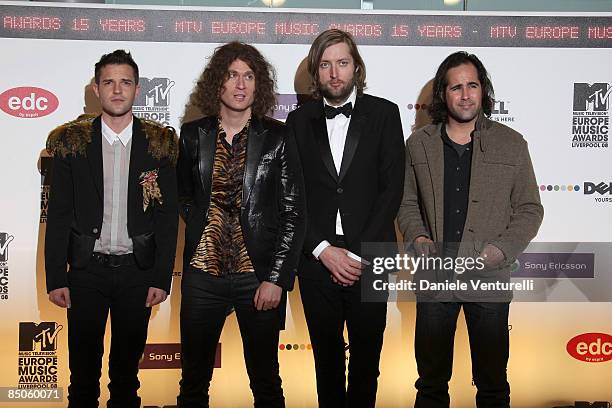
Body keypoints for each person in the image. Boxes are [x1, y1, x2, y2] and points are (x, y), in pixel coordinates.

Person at [398, 51, 544, 407]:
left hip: (488, 278)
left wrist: (502, 250)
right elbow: (406, 204)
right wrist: (417, 237)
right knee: (430, 384)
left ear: (483, 90)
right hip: (436, 279)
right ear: (443, 95)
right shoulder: (419, 144)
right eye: (456, 87)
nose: (465, 95)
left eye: (472, 85)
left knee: (493, 385)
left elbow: (529, 209)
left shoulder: (512, 143)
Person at [45, 49, 178, 407]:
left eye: (125, 82)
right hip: (86, 273)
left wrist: (160, 277)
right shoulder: (72, 142)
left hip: (138, 272)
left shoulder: (160, 143)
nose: (117, 90)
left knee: (126, 378)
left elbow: (167, 218)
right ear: (96, 89)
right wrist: (57, 277)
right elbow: (57, 213)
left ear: (137, 89)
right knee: (83, 379)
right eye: (109, 83)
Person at [176, 41, 305, 408]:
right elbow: (184, 198)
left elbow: (294, 213)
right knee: (193, 382)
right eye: (232, 75)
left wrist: (276, 278)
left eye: (249, 76)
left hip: (258, 275)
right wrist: (210, 229)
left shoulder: (277, 137)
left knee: (266, 382)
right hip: (203, 274)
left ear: (258, 85)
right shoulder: (192, 135)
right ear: (217, 82)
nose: (240, 84)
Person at [285, 29, 405, 407]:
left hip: (370, 256)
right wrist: (323, 249)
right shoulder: (297, 121)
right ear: (315, 72)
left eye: (342, 62)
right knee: (327, 361)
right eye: (325, 64)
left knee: (368, 361)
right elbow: (293, 195)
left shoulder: (385, 114)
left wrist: (355, 254)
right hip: (317, 259)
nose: (334, 73)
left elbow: (392, 191)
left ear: (356, 67)